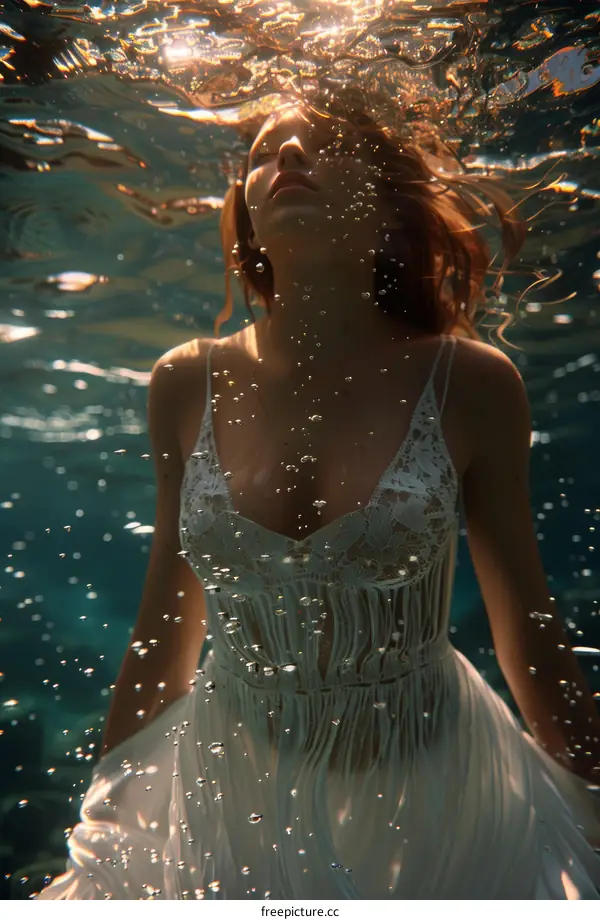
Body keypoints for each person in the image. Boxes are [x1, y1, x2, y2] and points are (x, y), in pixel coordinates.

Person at [37, 96, 600, 900]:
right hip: (227, 789)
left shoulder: (472, 383)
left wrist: (595, 798)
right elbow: (164, 626)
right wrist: (104, 836)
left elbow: (529, 629)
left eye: (325, 143)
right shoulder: (183, 380)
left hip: (439, 798)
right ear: (247, 219)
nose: (289, 155)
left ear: (385, 204)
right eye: (266, 151)